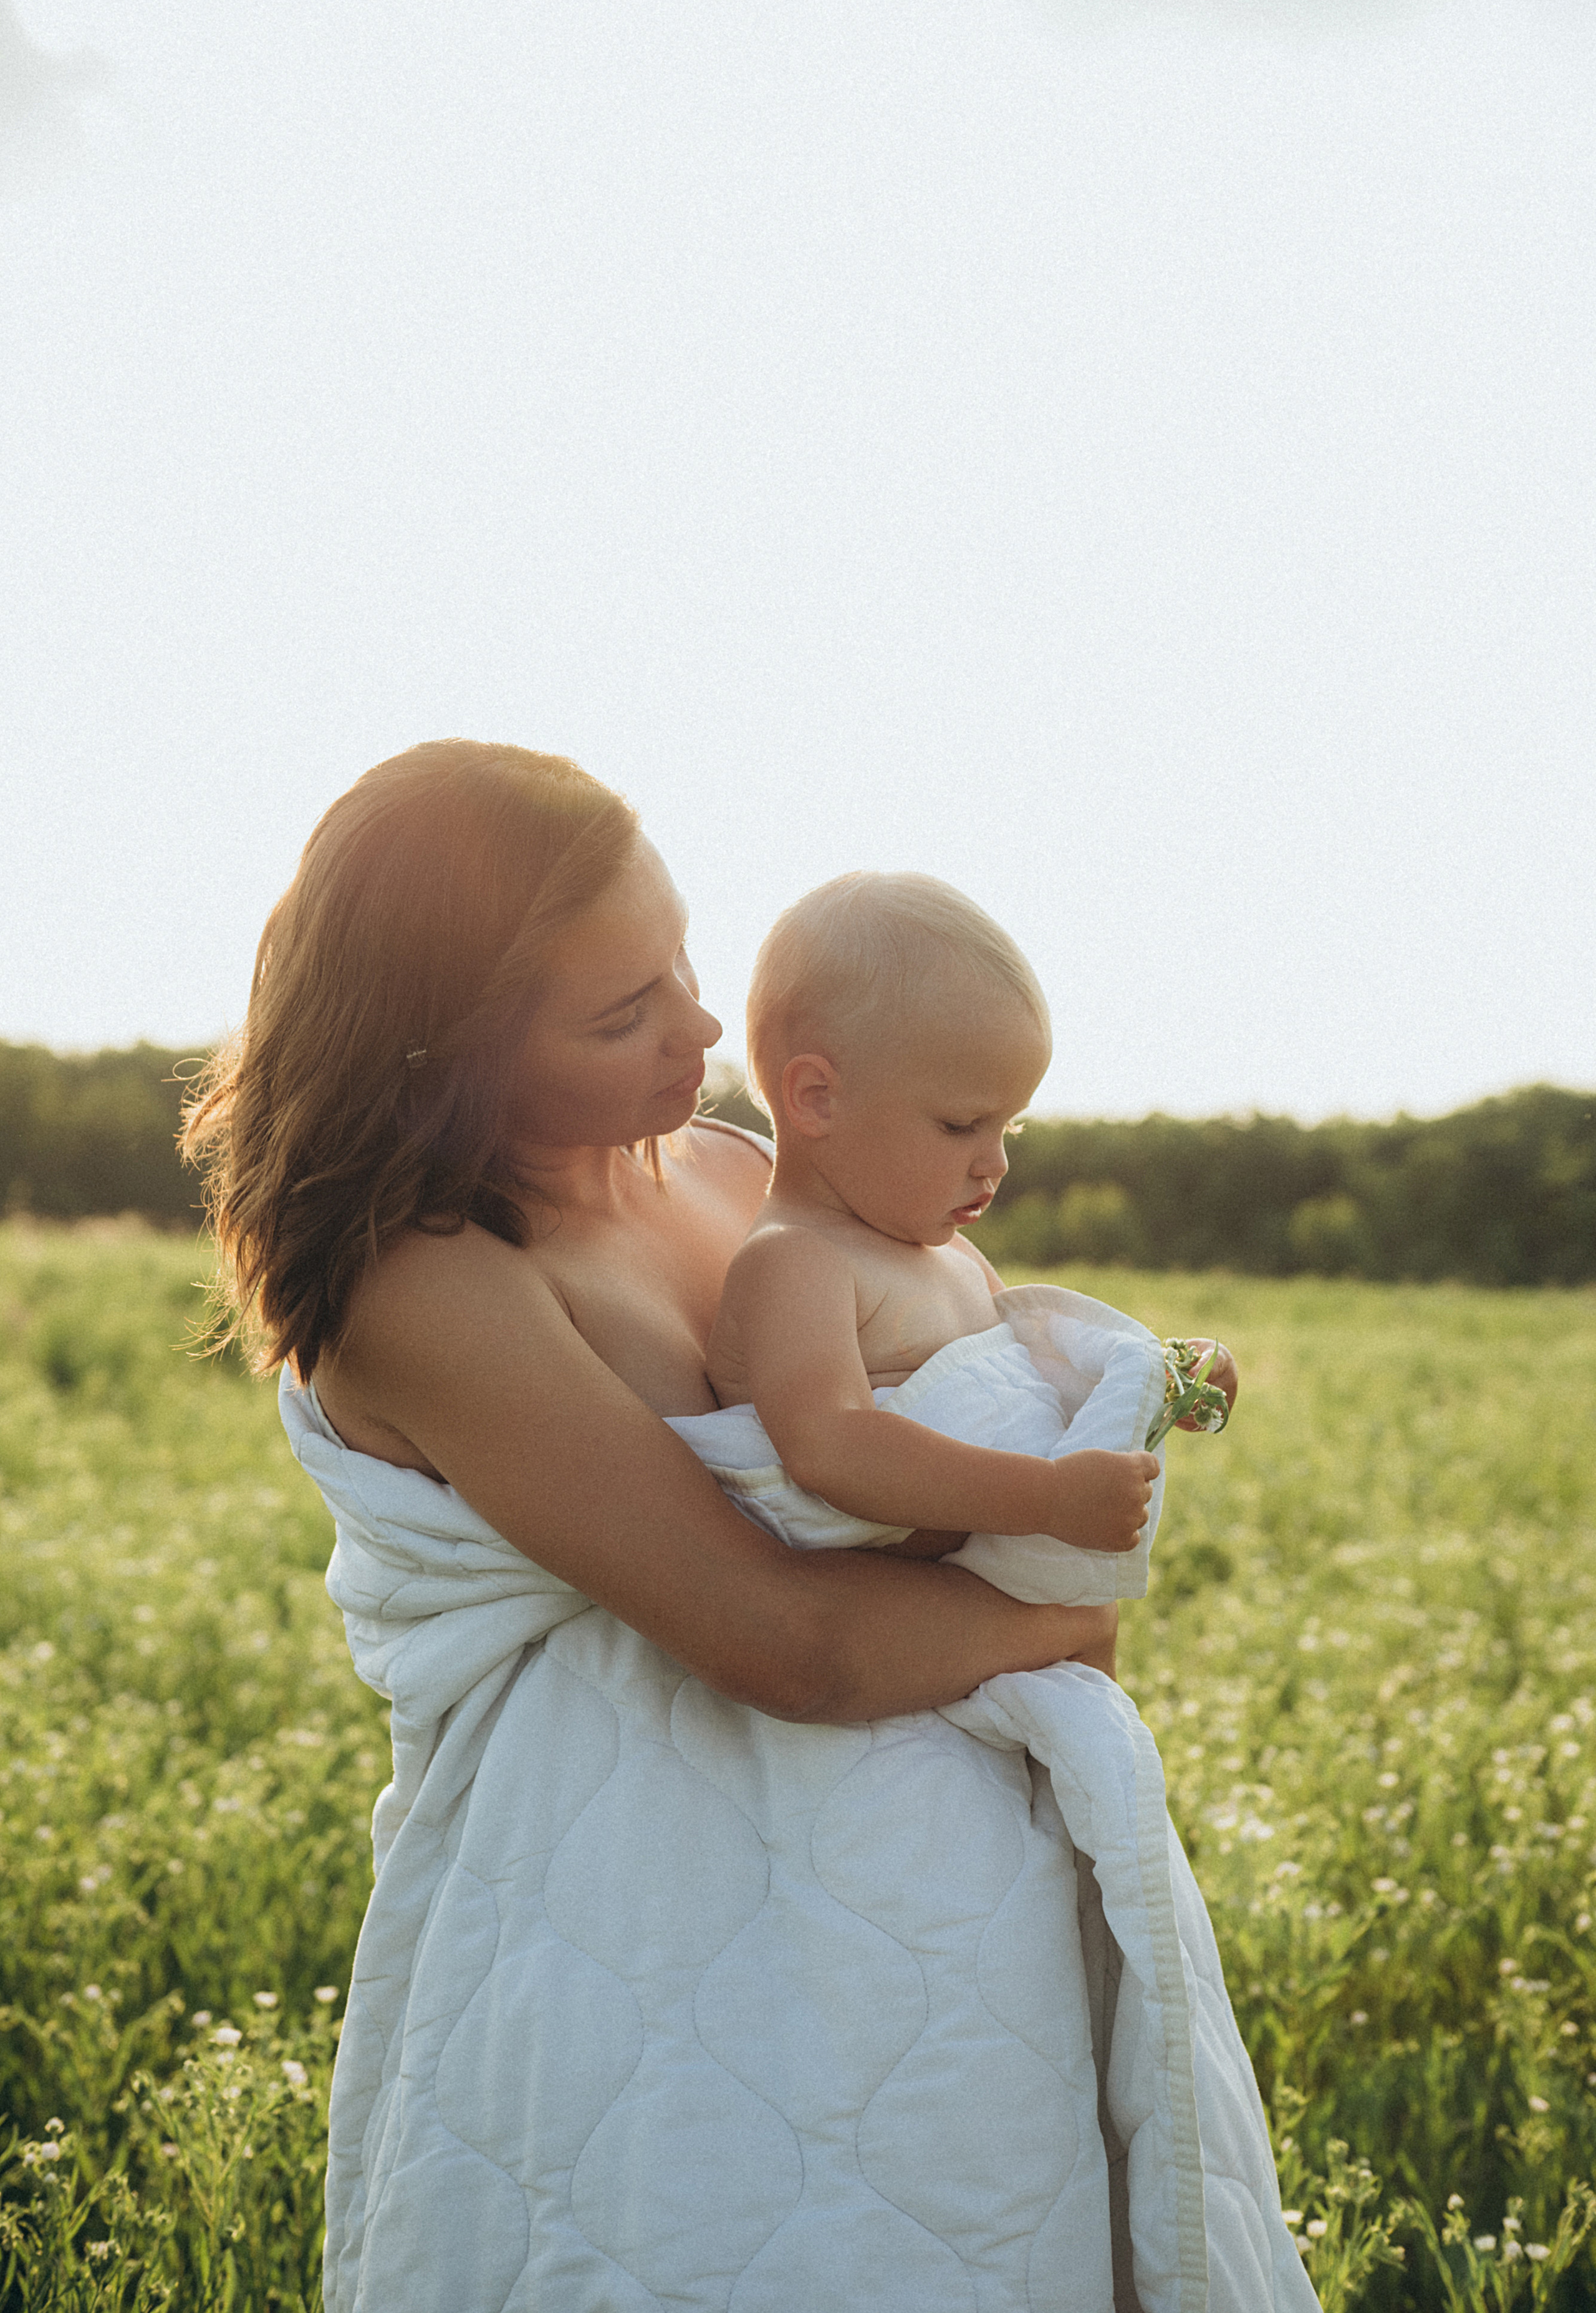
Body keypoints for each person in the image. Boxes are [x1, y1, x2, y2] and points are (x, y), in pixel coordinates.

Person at [185, 741, 1314, 2313]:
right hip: (633, 1924)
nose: (705, 1026)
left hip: (926, 1913)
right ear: (447, 1048)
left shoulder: (730, 1171)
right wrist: (1071, 1622)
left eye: (682, 962)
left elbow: (950, 1390)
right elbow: (777, 1636)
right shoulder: (423, 1281)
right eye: (621, 1009)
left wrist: (1126, 1390)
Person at [704, 869, 1236, 1576]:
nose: (995, 1163)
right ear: (816, 1097)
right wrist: (1048, 1498)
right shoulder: (797, 1262)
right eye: (961, 1124)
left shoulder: (956, 1259)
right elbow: (831, 1449)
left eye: (1008, 1127)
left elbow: (1027, 1390)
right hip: (895, 1618)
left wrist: (1156, 1382)